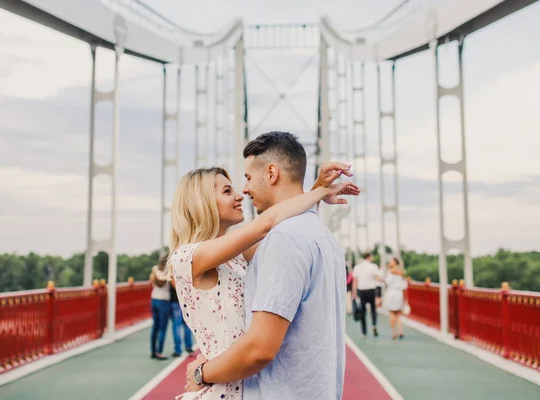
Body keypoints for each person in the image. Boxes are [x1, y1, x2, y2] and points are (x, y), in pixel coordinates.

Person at [183, 132, 352, 400]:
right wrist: (316, 192)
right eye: (228, 190)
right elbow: (268, 225)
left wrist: (199, 372)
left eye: (247, 178)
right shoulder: (319, 236)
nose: (243, 192)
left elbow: (260, 349)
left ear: (271, 173)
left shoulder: (281, 240)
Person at [162, 254, 194, 357]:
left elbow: (176, 287)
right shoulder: (184, 268)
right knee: (186, 325)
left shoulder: (171, 272)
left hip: (177, 301)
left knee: (176, 326)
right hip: (185, 300)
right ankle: (188, 347)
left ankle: (178, 350)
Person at [351, 252, 382, 338]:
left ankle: (364, 332)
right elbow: (378, 278)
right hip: (371, 290)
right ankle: (374, 325)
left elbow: (355, 281)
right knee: (373, 310)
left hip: (361, 291)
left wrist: (354, 293)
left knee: (363, 312)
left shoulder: (357, 267)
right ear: (369, 257)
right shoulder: (373, 266)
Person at [381, 257, 408, 340]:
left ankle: (394, 332)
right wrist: (405, 299)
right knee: (396, 314)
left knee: (392, 313)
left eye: (391, 261)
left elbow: (387, 281)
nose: (389, 263)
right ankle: (400, 331)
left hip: (391, 293)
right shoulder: (402, 273)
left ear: (395, 262)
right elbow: (404, 286)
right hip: (399, 293)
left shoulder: (392, 271)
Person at [149, 264, 171, 360]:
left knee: (155, 327)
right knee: (162, 328)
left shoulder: (155, 272)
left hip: (154, 299)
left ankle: (153, 351)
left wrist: (154, 268)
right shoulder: (167, 272)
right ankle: (159, 352)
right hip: (164, 301)